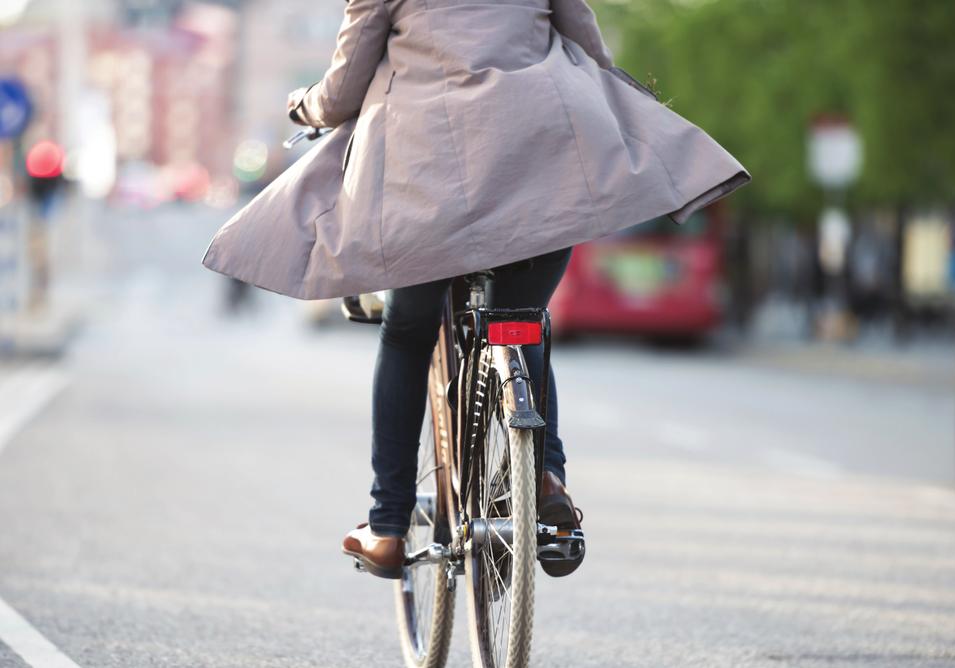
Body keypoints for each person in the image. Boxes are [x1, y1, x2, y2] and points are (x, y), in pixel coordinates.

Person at [204, 0, 749, 580]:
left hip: (424, 180)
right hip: (539, 160)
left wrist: (302, 105)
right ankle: (546, 480)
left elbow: (341, 94)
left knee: (408, 334)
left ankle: (387, 527)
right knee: (521, 319)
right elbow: (591, 52)